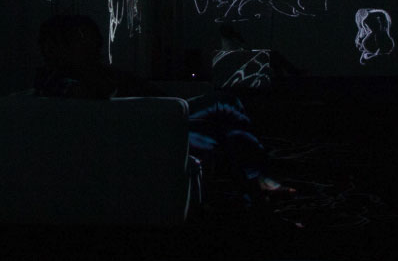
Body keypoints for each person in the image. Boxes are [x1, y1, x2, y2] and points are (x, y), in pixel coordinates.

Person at [34, 14, 282, 206]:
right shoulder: (56, 80)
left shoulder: (87, 72)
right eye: (80, 40)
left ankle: (254, 183)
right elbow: (95, 96)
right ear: (58, 47)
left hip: (158, 120)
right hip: (148, 130)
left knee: (225, 119)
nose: (93, 47)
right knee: (224, 104)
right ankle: (258, 182)